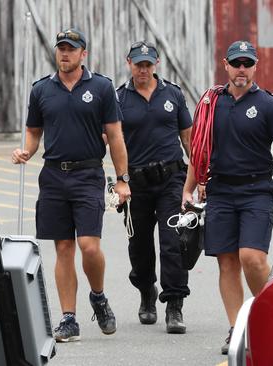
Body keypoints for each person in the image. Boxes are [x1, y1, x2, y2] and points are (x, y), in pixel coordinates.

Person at [12, 28, 130, 342]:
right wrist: (27, 150)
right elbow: (34, 131)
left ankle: (99, 296)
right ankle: (69, 318)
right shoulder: (41, 90)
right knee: (63, 248)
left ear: (83, 54)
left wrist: (122, 180)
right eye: (61, 49)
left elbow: (115, 136)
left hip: (88, 174)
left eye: (71, 49)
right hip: (53, 176)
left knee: (89, 246)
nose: (65, 54)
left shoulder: (102, 88)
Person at [182, 40, 273, 354]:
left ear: (255, 67)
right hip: (220, 191)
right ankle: (238, 331)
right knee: (227, 263)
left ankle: (270, 320)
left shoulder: (269, 105)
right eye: (237, 64)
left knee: (252, 257)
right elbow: (200, 150)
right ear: (226, 65)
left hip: (256, 191)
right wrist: (188, 188)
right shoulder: (211, 103)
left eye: (248, 64)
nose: (242, 70)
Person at [116, 41, 192, 334]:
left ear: (156, 64)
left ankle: (174, 304)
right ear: (129, 64)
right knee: (140, 245)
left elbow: (188, 138)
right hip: (136, 183)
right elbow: (110, 139)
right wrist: (118, 180)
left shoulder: (172, 93)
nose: (143, 69)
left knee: (174, 241)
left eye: (148, 64)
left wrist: (198, 180)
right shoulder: (119, 98)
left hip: (172, 178)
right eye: (138, 64)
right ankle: (147, 290)